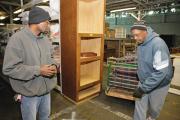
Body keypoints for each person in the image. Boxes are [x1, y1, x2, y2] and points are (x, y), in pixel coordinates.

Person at [3, 6, 57, 120]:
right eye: (47, 22)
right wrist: (38, 70)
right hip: (29, 94)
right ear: (37, 21)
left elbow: (51, 57)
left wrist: (54, 65)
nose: (48, 24)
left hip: (46, 91)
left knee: (45, 117)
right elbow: (9, 69)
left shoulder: (45, 40)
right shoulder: (17, 39)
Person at [131, 21, 173, 120]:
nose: (135, 38)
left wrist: (143, 88)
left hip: (159, 84)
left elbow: (161, 72)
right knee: (139, 108)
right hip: (144, 82)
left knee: (154, 109)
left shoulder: (158, 45)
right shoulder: (141, 43)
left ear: (145, 31)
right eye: (133, 35)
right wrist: (139, 73)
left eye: (137, 35)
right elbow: (144, 61)